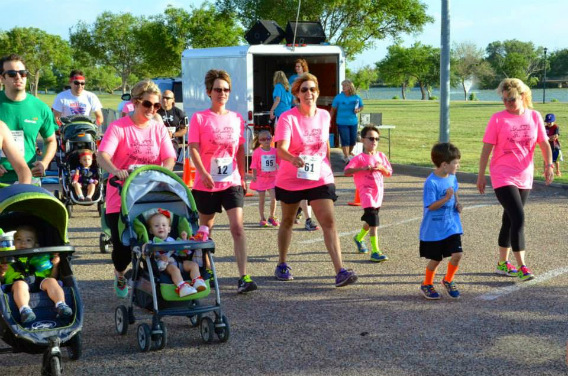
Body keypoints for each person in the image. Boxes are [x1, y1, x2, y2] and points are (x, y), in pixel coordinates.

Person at [273, 73, 358, 287]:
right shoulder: (288, 118)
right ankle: (282, 263)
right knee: (287, 221)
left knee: (328, 222)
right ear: (296, 95)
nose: (309, 93)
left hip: (319, 177)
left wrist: (328, 168)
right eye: (304, 90)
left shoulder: (324, 115)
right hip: (291, 177)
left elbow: (325, 145)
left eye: (312, 89)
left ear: (317, 92)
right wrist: (293, 158)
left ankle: (340, 270)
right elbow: (280, 149)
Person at [97, 79, 176, 298]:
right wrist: (115, 170)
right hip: (121, 197)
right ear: (135, 102)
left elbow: (169, 156)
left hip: (150, 195)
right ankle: (120, 272)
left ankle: (155, 282)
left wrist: (163, 172)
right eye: (147, 105)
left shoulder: (158, 128)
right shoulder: (119, 127)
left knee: (156, 239)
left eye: (156, 106)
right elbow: (103, 155)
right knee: (122, 248)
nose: (152, 110)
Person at [477, 78, 554, 282]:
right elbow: (487, 148)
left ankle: (502, 264)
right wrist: (481, 175)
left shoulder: (534, 116)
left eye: (511, 99)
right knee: (519, 217)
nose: (507, 103)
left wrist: (549, 165)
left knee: (509, 219)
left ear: (522, 97)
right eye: (504, 100)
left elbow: (544, 144)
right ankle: (522, 266)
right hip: (502, 174)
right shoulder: (497, 119)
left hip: (524, 174)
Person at [188, 69, 257, 294]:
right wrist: (203, 173)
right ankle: (206, 269)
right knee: (205, 229)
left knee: (237, 227)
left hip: (231, 181)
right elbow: (194, 150)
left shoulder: (236, 118)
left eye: (226, 89)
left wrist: (243, 174)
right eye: (218, 89)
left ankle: (243, 276)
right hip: (206, 182)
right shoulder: (199, 118)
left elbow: (239, 149)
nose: (222, 93)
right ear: (209, 92)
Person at [0, 54, 57, 184]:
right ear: (2, 78)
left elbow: (51, 140)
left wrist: (44, 162)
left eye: (23, 73)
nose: (18, 77)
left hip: (29, 179)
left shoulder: (41, 107)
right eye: (12, 73)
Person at [0, 226, 73, 324]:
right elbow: (2, 279)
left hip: (39, 282)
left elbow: (52, 277)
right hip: (17, 284)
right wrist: (2, 272)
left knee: (51, 281)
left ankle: (61, 304)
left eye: (28, 240)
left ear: (35, 245)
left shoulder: (40, 259)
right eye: (18, 239)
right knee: (20, 285)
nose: (23, 243)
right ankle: (25, 310)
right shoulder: (7, 260)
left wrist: (55, 266)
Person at [419, 143, 464, 300]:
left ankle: (448, 279)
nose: (458, 165)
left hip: (451, 225)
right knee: (436, 259)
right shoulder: (431, 183)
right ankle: (427, 284)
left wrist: (457, 203)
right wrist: (446, 199)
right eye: (455, 163)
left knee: (458, 254)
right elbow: (431, 206)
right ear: (444, 165)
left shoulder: (452, 176)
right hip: (434, 229)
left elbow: (455, 189)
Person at [345, 125, 392, 262]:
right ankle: (375, 251)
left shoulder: (381, 156)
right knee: (374, 221)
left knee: (370, 220)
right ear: (363, 140)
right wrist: (362, 168)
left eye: (377, 139)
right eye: (371, 138)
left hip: (378, 193)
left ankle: (359, 238)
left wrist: (381, 168)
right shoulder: (359, 158)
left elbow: (389, 173)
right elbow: (347, 171)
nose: (374, 142)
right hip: (366, 193)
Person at [144, 209, 207, 297]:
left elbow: (182, 253)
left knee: (193, 265)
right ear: (150, 230)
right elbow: (148, 253)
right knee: (175, 270)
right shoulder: (152, 242)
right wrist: (157, 255)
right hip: (166, 266)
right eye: (156, 226)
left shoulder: (173, 240)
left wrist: (184, 241)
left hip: (178, 261)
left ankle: (197, 281)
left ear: (169, 229)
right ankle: (182, 287)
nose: (161, 227)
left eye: (164, 225)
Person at [250, 130, 279, 227]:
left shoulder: (275, 151)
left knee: (273, 198)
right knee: (261, 199)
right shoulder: (257, 152)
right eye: (263, 139)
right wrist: (254, 175)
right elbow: (253, 165)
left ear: (271, 138)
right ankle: (262, 218)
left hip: (272, 178)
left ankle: (272, 216)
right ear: (259, 141)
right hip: (261, 178)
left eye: (268, 138)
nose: (266, 141)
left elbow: (280, 162)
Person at [331, 79, 364, 163]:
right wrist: (328, 120)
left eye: (345, 85)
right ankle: (346, 157)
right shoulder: (338, 97)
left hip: (353, 122)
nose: (343, 87)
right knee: (345, 139)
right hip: (341, 122)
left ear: (350, 87)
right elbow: (333, 109)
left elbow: (361, 106)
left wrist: (358, 110)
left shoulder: (356, 97)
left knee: (352, 141)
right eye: (343, 85)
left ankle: (348, 155)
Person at [158, 90, 188, 158]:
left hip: (173, 140)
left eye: (167, 98)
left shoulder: (179, 113)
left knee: (170, 153)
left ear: (173, 100)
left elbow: (184, 130)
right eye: (163, 98)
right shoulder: (156, 112)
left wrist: (173, 135)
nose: (165, 100)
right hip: (158, 140)